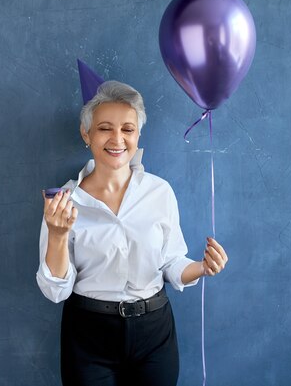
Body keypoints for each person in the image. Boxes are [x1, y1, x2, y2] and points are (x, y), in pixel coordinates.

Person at [36, 80, 228, 386]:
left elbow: (171, 263)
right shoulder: (64, 202)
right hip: (89, 334)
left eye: (127, 129)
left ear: (137, 135)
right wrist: (57, 235)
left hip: (154, 332)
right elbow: (56, 291)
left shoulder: (159, 192)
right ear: (86, 134)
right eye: (104, 128)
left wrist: (202, 268)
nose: (117, 139)